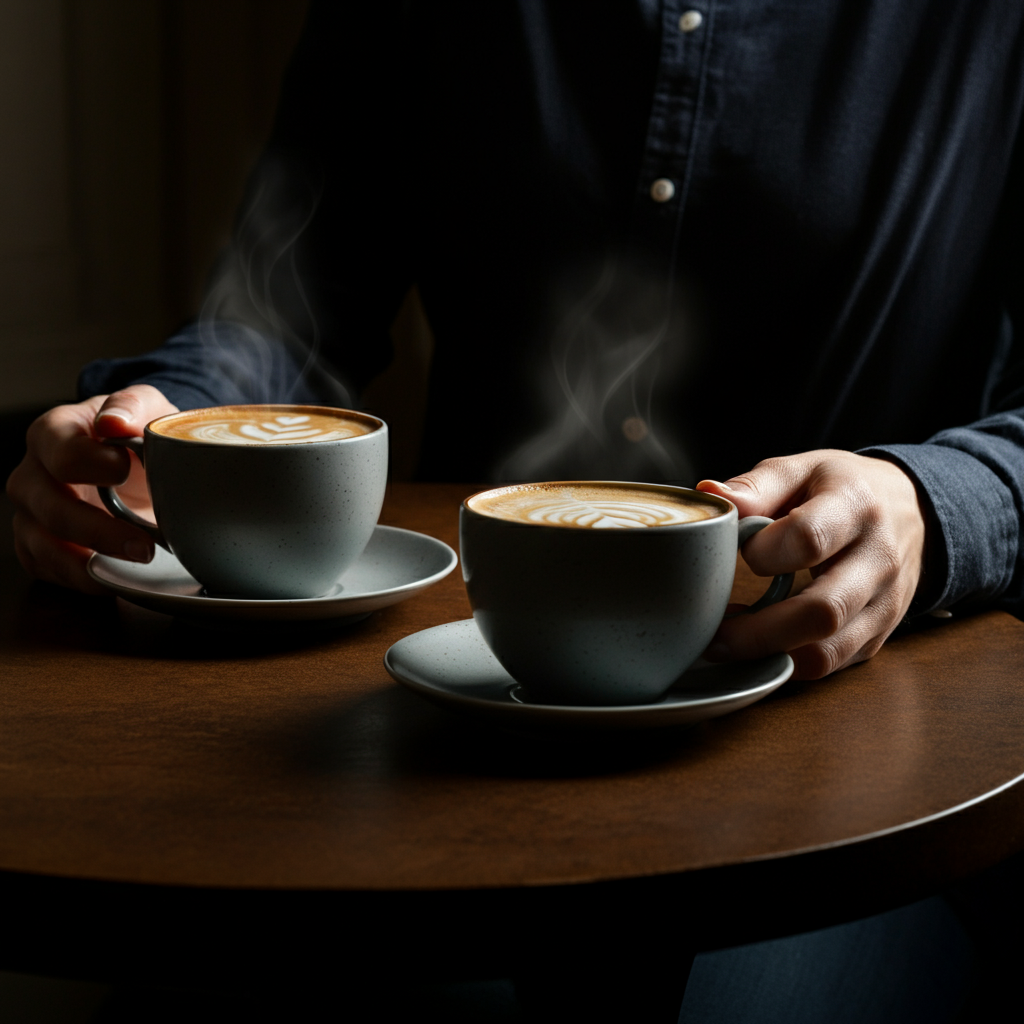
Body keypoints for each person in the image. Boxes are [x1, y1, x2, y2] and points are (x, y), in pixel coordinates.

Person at [6, 2, 1020, 1017]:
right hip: (464, 729)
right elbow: (293, 311)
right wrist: (162, 420)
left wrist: (934, 501)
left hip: (865, 761)